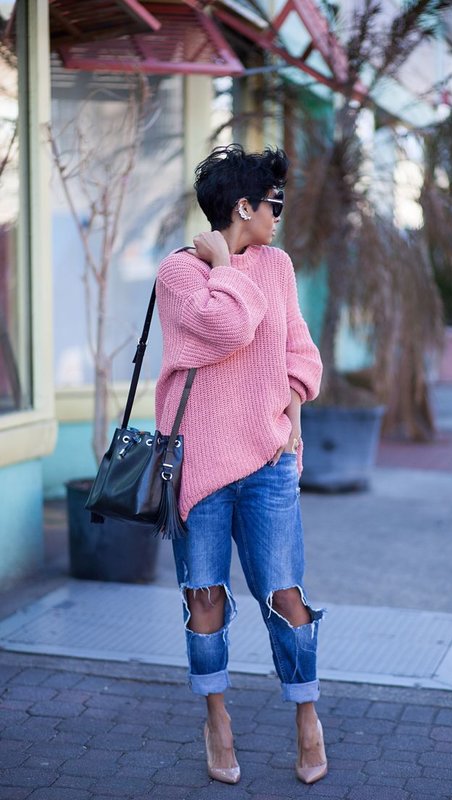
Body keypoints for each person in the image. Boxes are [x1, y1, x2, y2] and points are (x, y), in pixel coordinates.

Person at [155, 143, 325, 785]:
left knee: (285, 594)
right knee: (205, 596)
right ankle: (217, 718)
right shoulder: (178, 273)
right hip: (198, 464)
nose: (279, 215)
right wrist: (225, 263)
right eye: (272, 203)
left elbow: (298, 348)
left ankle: (307, 715)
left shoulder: (277, 265)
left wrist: (294, 406)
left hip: (269, 460)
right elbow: (228, 328)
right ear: (242, 207)